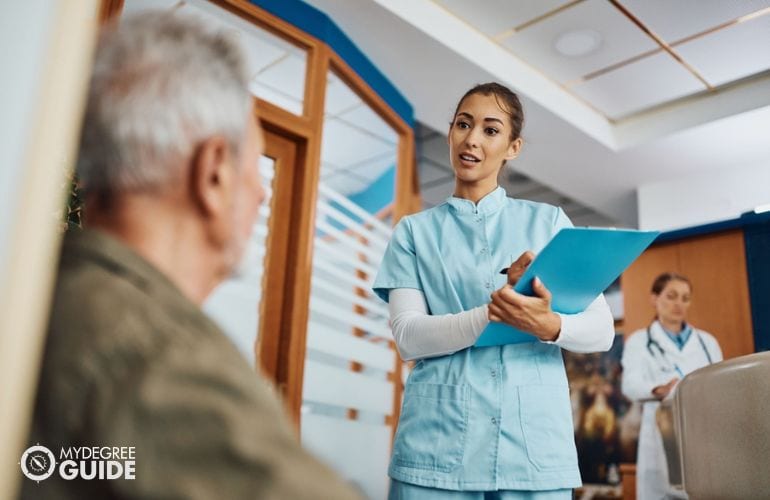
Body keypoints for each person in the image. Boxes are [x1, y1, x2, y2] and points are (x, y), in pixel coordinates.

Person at [21, 12, 359, 500]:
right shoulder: (154, 353)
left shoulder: (40, 295)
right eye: (253, 166)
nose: (262, 195)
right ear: (215, 172)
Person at [372, 82, 615, 499]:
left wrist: (549, 324)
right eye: (463, 125)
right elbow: (409, 336)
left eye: (490, 129)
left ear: (513, 147)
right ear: (449, 133)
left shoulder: (550, 224)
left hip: (532, 451)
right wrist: (496, 311)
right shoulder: (413, 232)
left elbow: (601, 330)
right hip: (436, 447)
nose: (471, 139)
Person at [621, 272, 722, 499]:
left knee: (703, 489)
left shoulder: (707, 342)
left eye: (685, 298)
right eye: (671, 296)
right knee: (663, 490)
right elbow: (630, 385)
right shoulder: (639, 341)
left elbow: (720, 384)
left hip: (702, 430)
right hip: (660, 430)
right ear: (654, 298)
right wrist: (657, 390)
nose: (679, 304)